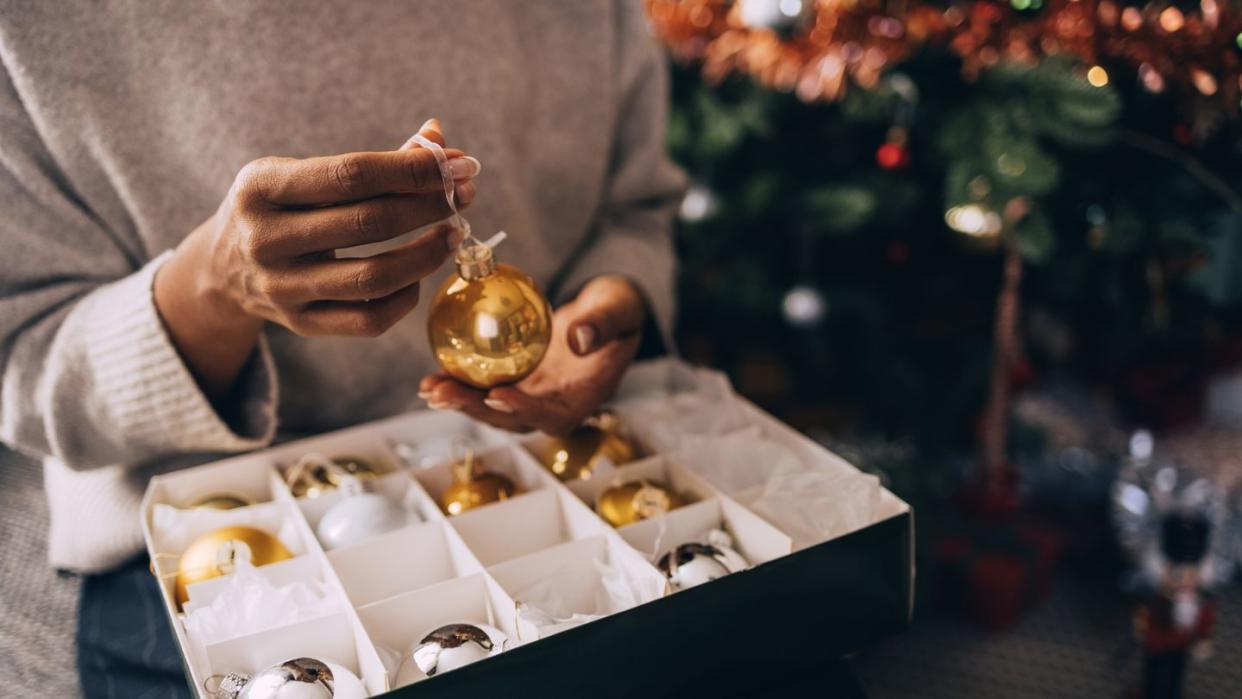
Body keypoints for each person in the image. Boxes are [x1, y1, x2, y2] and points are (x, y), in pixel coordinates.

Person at [0, 3, 681, 696]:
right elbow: (23, 359)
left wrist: (609, 300)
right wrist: (213, 289)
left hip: (544, 447)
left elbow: (635, 209)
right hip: (202, 522)